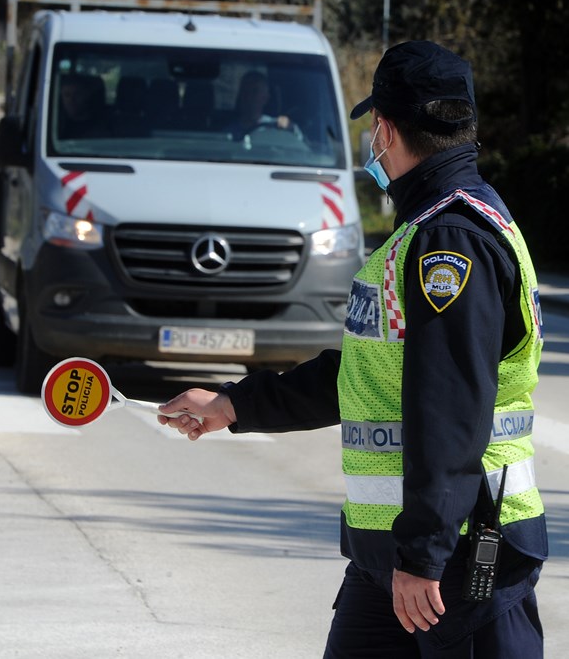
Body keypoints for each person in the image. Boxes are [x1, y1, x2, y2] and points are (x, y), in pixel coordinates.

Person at [158, 40, 547, 658]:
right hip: (396, 553)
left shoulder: (448, 240)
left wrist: (424, 554)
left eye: (372, 129)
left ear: (385, 130)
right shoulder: (433, 226)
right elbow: (366, 373)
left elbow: (449, 407)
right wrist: (234, 405)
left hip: (456, 556)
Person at [223, 70, 292, 139]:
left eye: (254, 91)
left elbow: (297, 142)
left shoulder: (277, 126)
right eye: (245, 91)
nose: (248, 96)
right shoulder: (228, 132)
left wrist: (289, 127)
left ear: (265, 98)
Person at [56, 73, 108, 139]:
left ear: (87, 95)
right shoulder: (55, 125)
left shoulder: (103, 128)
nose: (71, 100)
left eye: (77, 94)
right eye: (67, 95)